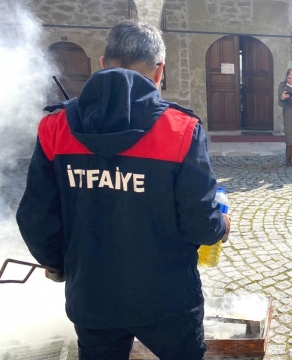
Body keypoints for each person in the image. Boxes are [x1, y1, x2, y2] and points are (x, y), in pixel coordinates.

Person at [15, 20, 230, 359]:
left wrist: (59, 263)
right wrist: (222, 225)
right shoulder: (181, 130)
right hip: (168, 297)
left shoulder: (55, 127)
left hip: (92, 294)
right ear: (159, 71)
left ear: (102, 63)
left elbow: (35, 216)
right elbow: (201, 224)